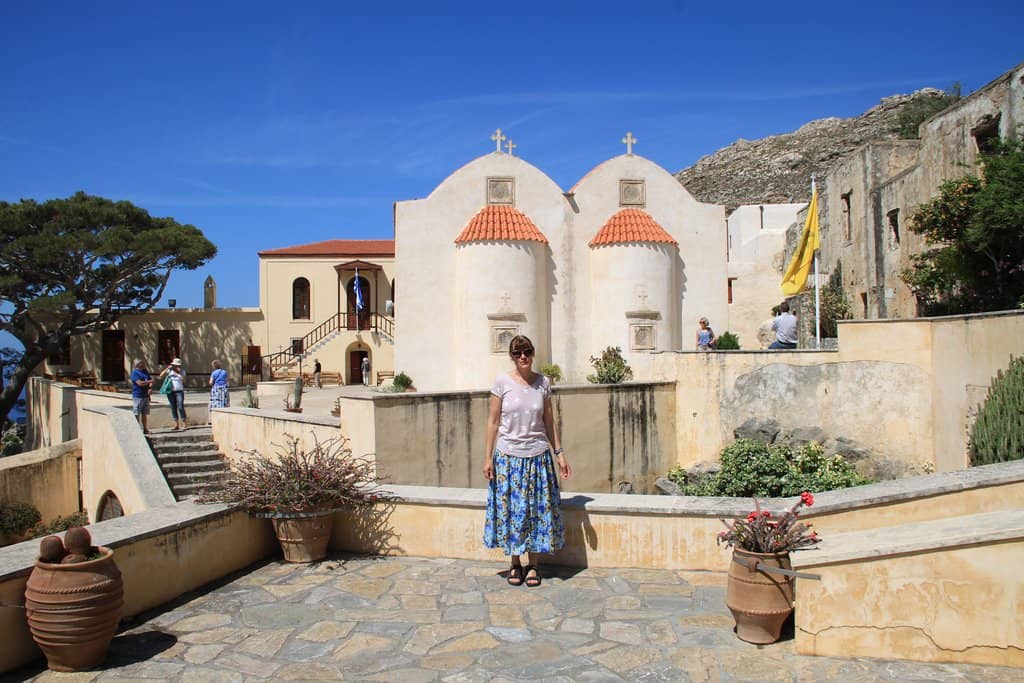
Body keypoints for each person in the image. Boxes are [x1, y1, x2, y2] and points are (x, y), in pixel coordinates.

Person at [483, 335, 572, 588]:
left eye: (527, 352)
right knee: (512, 511)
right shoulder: (502, 382)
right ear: (511, 356)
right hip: (508, 458)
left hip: (537, 457)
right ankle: (515, 562)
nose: (523, 357)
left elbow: (549, 422)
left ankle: (533, 565)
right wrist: (488, 458)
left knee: (536, 511)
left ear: (533, 353)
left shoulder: (543, 383)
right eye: (517, 353)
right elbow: (493, 422)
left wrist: (560, 454)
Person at [159, 358, 187, 430]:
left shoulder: (182, 371)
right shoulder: (170, 371)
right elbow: (161, 375)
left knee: (180, 406)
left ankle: (184, 422)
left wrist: (177, 374)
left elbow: (184, 380)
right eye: (175, 365)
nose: (176, 367)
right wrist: (167, 369)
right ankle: (176, 423)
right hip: (171, 391)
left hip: (179, 391)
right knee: (173, 407)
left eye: (177, 365)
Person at [129, 359, 153, 433]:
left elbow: (150, 380)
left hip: (146, 395)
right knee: (137, 413)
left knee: (144, 413)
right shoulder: (134, 373)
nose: (144, 364)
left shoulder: (145, 371)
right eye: (142, 363)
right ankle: (136, 429)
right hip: (138, 395)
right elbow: (140, 383)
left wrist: (150, 387)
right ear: (139, 364)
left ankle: (145, 429)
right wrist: (149, 381)